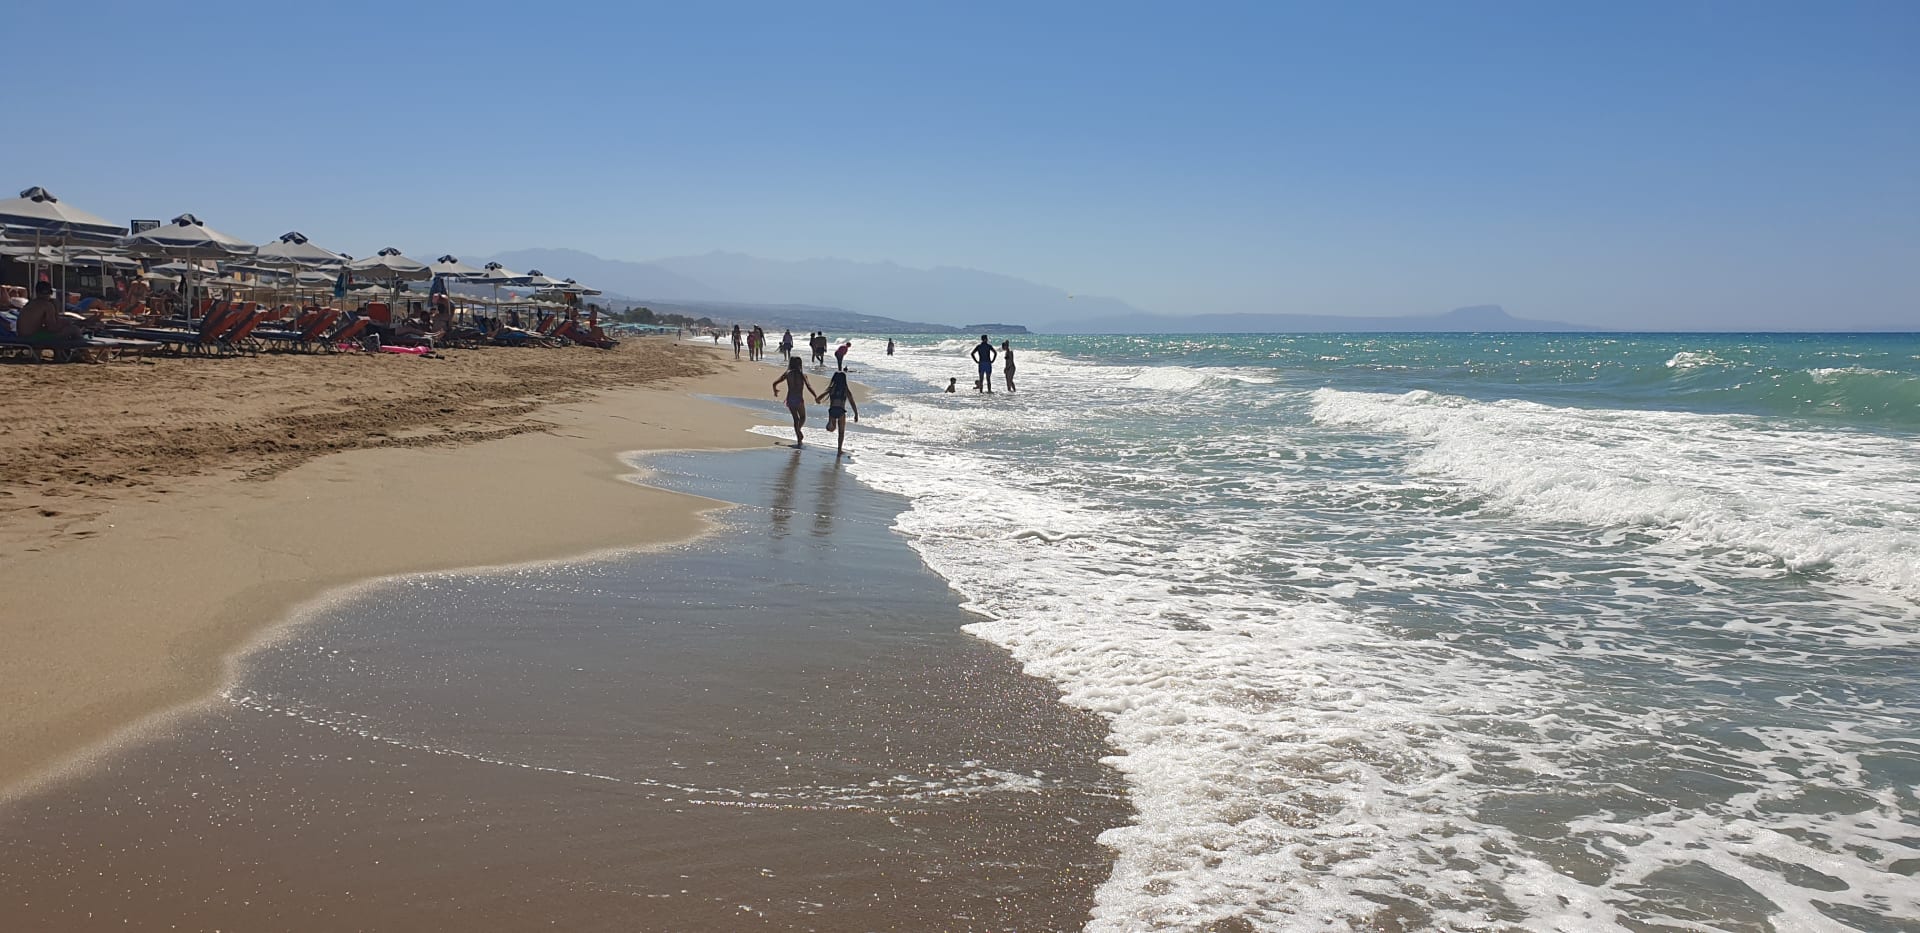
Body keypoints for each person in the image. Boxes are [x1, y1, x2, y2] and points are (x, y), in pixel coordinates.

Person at [14, 282, 82, 344]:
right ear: (50, 293)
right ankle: (82, 351)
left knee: (65, 329)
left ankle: (61, 353)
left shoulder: (30, 303)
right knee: (73, 329)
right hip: (32, 337)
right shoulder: (47, 305)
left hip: (22, 335)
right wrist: (66, 322)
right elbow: (52, 328)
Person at [813, 369, 860, 456]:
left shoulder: (832, 389)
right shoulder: (845, 390)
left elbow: (818, 398)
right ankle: (839, 450)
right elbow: (852, 402)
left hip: (832, 410)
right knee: (841, 432)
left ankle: (830, 424)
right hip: (841, 411)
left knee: (832, 428)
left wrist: (818, 400)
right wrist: (856, 414)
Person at [772, 356, 815, 447]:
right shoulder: (802, 375)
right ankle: (798, 431)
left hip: (790, 398)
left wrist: (775, 390)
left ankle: (799, 437)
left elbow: (774, 383)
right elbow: (809, 386)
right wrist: (815, 396)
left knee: (796, 419)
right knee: (802, 417)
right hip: (799, 399)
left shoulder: (787, 373)